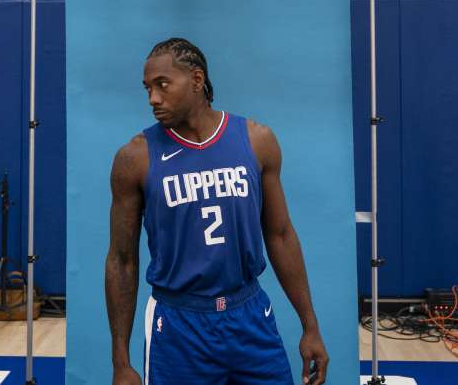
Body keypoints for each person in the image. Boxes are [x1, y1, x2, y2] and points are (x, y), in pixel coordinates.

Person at [106, 38, 328, 385]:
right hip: (179, 325)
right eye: (148, 88)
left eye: (162, 85)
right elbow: (122, 260)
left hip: (249, 315)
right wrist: (121, 361)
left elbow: (280, 234)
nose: (153, 98)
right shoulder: (135, 158)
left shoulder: (256, 140)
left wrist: (309, 325)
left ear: (196, 80)